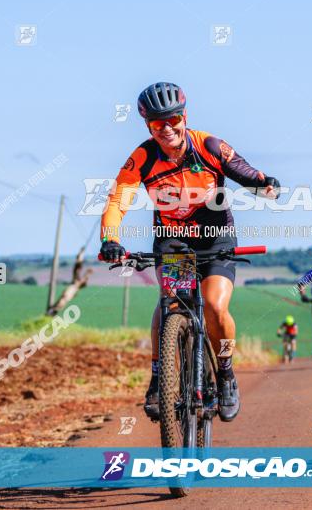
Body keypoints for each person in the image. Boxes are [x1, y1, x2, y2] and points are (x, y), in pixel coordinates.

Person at [99, 82, 280, 422]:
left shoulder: (208, 144)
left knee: (213, 305)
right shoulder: (143, 157)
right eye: (156, 124)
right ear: (147, 125)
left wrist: (264, 184)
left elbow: (242, 170)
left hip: (214, 236)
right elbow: (117, 200)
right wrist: (110, 239)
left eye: (173, 120)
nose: (166, 129)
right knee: (170, 303)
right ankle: (158, 377)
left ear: (184, 116)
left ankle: (225, 372)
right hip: (174, 241)